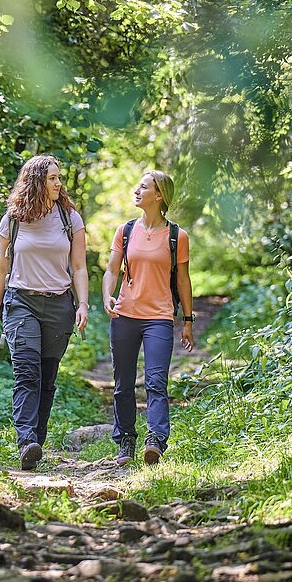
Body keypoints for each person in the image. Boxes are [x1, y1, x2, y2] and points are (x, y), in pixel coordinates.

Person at [0, 155, 89, 471]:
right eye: (53, 178)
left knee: (46, 378)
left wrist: (83, 304)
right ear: (36, 182)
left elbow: (79, 266)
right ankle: (25, 440)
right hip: (21, 303)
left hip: (59, 305)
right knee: (27, 371)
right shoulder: (13, 220)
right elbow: (1, 269)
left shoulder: (69, 218)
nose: (59, 183)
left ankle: (36, 443)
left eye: (60, 178)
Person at [102, 170, 194, 466]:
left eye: (143, 187)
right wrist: (107, 295)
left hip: (159, 317)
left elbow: (183, 280)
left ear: (159, 195)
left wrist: (188, 321)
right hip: (125, 315)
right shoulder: (125, 231)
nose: (136, 190)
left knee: (156, 380)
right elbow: (112, 270)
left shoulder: (177, 236)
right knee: (123, 383)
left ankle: (155, 439)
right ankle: (125, 440)